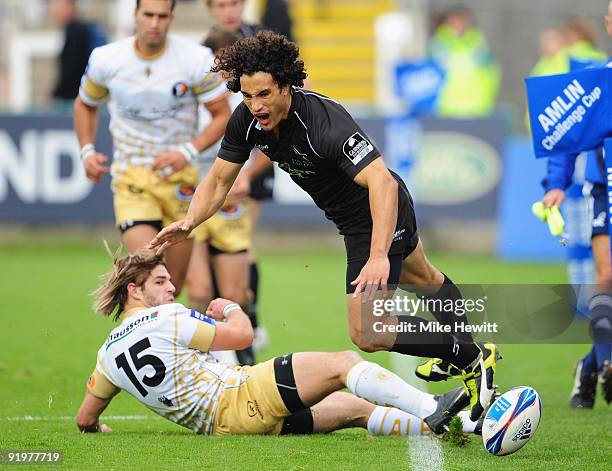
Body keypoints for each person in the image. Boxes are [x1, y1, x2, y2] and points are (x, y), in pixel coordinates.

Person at [149, 31, 499, 422]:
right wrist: (191, 221)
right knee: (425, 278)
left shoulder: (324, 123)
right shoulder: (248, 120)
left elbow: (380, 182)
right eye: (247, 96)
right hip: (358, 218)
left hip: (376, 213)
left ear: (287, 85)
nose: (255, 106)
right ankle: (470, 352)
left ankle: (468, 356)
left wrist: (379, 255)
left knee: (369, 332)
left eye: (264, 94)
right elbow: (217, 180)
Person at [75, 249, 483, 436]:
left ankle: (467, 426)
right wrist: (232, 307)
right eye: (160, 282)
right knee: (342, 362)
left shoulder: (107, 355)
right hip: (240, 396)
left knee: (353, 409)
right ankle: (432, 407)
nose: (173, 287)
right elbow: (242, 335)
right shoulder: (166, 317)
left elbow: (84, 418)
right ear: (134, 290)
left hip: (227, 428)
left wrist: (97, 428)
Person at [74, 0, 232, 295]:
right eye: (148, 15)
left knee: (175, 284)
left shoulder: (195, 59)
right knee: (148, 273)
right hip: (132, 177)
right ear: (135, 15)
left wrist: (187, 151)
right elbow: (85, 105)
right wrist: (86, 150)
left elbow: (223, 114)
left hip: (181, 180)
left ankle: (172, 338)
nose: (154, 23)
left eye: (162, 16)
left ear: (171, 17)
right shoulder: (106, 59)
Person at [540, 6, 612, 409]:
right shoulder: (596, 83)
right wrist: (555, 185)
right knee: (606, 277)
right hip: (607, 190)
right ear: (608, 25)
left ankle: (588, 367)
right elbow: (567, 137)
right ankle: (607, 365)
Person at [185, 29, 256, 366]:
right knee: (198, 292)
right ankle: (195, 362)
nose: (228, 61)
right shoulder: (195, 97)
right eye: (222, 54)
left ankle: (231, 359)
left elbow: (271, 146)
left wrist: (247, 177)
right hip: (193, 197)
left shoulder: (250, 95)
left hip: (231, 203)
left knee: (235, 295)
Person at [427, 7, 500, 118]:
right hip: (445, 110)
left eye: (462, 20)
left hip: (478, 110)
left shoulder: (479, 45)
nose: (459, 24)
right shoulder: (437, 46)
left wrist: (487, 99)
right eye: (456, 20)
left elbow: (493, 73)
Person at [49, 0, 107, 113]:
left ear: (70, 6)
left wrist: (56, 94)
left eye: (57, 5)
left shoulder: (76, 31)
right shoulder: (75, 30)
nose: (54, 10)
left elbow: (73, 69)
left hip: (77, 102)